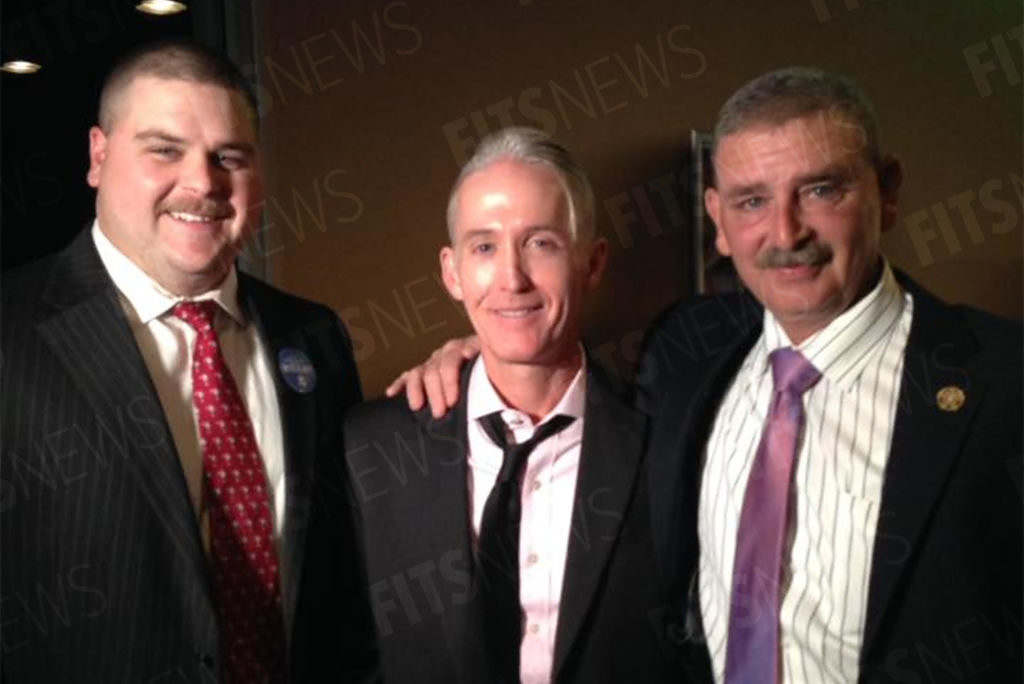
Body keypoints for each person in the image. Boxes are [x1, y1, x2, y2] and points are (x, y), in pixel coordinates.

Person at [393, 68, 1022, 683]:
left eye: (820, 190)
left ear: (887, 192)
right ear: (718, 220)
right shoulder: (687, 351)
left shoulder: (1003, 384)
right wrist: (483, 351)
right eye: (753, 201)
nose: (786, 232)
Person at [1, 41, 365, 683]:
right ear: (98, 156)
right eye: (165, 150)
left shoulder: (314, 336)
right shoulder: (12, 331)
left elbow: (345, 571)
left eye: (230, 157)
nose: (203, 183)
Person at [302, 127, 676, 683]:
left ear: (593, 263)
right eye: (484, 247)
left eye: (540, 243)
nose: (511, 279)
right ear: (451, 272)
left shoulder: (665, 444)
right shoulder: (372, 446)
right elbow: (336, 656)